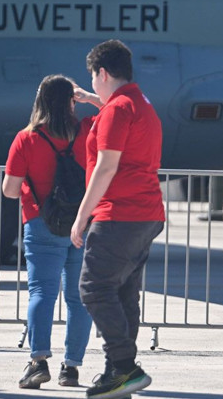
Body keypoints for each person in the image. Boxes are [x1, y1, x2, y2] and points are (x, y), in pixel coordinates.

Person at [71, 39, 164, 399]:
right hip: (146, 213)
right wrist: (95, 101)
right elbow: (118, 111)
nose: (92, 84)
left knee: (93, 288)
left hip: (119, 212)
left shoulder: (116, 111)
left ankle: (124, 366)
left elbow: (107, 166)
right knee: (123, 292)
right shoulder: (141, 104)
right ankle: (118, 371)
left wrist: (82, 216)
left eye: (93, 79)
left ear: (103, 73)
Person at [2, 75, 100, 389]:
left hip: (41, 223)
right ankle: (71, 368)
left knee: (42, 293)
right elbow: (116, 110)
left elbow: (9, 191)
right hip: (81, 224)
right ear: (71, 101)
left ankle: (38, 362)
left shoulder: (26, 138)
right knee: (78, 299)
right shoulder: (86, 130)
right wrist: (90, 97)